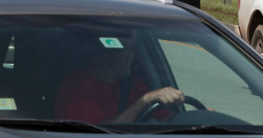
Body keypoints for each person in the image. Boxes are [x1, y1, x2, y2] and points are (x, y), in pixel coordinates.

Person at [54, 33, 183, 124]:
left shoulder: (132, 83)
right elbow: (98, 135)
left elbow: (166, 119)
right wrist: (144, 101)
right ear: (113, 53)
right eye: (132, 49)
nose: (134, 55)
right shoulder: (77, 88)